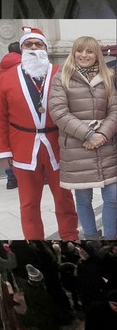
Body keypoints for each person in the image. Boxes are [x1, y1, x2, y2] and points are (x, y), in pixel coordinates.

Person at [0, 26, 79, 240]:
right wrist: (2, 151)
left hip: (57, 144)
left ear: (45, 48)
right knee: (28, 203)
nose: (33, 48)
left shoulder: (62, 73)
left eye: (37, 44)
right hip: (23, 146)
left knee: (64, 198)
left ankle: (70, 236)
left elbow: (76, 109)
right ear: (21, 49)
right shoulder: (6, 78)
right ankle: (34, 241)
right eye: (28, 44)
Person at [49, 36, 117, 240]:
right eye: (80, 51)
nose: (84, 55)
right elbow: (58, 112)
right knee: (83, 198)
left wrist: (102, 134)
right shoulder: (61, 78)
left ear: (97, 54)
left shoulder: (107, 77)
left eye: (89, 51)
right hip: (78, 147)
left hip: (106, 145)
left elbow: (114, 109)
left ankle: (111, 238)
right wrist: (88, 134)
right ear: (73, 53)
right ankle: (91, 237)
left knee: (113, 197)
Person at [0, 42, 22, 190]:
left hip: (5, 111)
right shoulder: (23, 66)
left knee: (8, 145)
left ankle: (11, 178)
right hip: (19, 110)